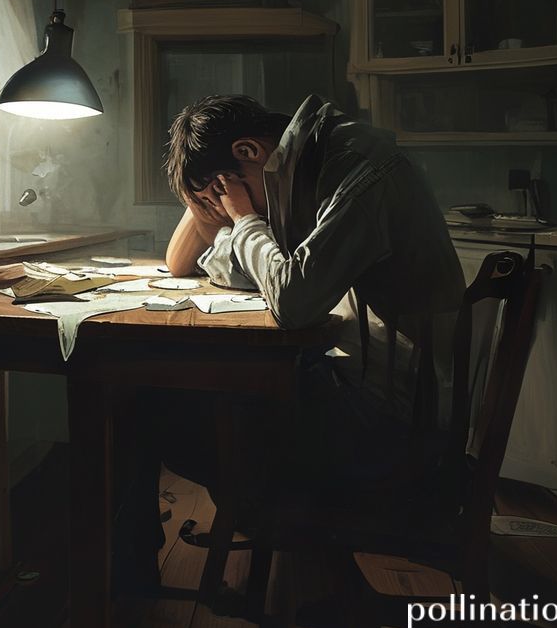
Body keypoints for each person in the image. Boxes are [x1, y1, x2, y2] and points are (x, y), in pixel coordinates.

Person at [113, 93, 465, 594]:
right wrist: (216, 207)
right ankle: (300, 558)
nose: (222, 207)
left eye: (221, 191)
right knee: (168, 397)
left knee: (143, 402)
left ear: (250, 153)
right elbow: (192, 264)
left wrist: (243, 219)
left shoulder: (356, 168)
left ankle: (130, 584)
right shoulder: (299, 173)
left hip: (392, 422)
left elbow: (293, 299)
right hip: (362, 387)